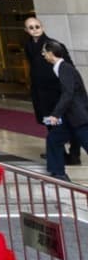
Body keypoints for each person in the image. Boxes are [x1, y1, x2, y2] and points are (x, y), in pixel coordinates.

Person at [24, 16, 79, 167]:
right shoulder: (28, 46)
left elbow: (68, 67)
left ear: (42, 27)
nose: (35, 30)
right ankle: (59, 153)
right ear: (26, 30)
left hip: (56, 91)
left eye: (37, 26)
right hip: (40, 92)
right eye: (31, 27)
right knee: (50, 123)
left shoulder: (53, 45)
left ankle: (74, 155)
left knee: (69, 123)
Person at [39, 39, 88, 180]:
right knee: (53, 139)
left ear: (51, 53)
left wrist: (55, 114)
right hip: (71, 116)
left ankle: (58, 172)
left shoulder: (65, 68)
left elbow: (68, 93)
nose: (43, 55)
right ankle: (58, 172)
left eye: (44, 52)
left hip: (79, 116)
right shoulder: (60, 68)